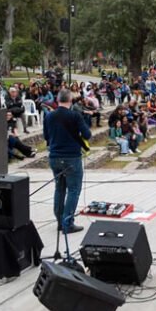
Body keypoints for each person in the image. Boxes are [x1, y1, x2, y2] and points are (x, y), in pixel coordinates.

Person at [43, 89, 92, 234]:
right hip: (71, 158)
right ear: (70, 101)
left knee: (59, 189)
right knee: (73, 190)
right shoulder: (75, 115)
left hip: (54, 157)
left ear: (57, 100)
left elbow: (46, 136)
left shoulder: (49, 116)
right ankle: (68, 223)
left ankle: (60, 221)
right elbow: (87, 135)